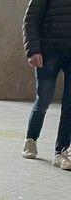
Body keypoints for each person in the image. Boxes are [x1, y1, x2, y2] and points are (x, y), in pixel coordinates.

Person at [23, 0, 71, 168]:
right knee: (44, 99)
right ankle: (31, 139)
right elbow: (31, 19)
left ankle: (61, 152)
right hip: (48, 52)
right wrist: (33, 50)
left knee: (70, 105)